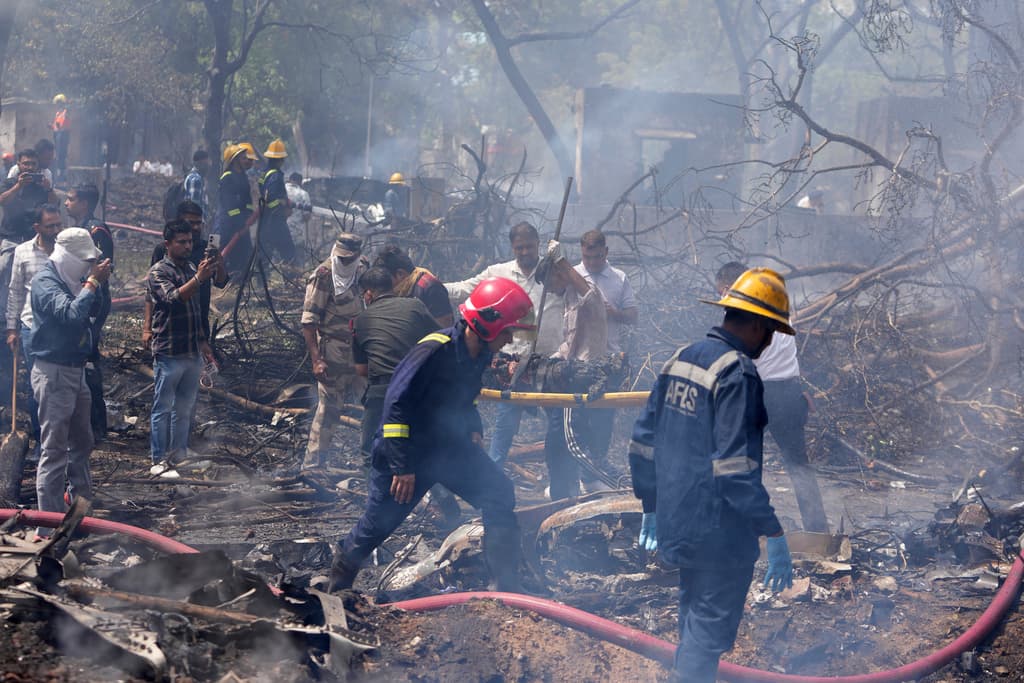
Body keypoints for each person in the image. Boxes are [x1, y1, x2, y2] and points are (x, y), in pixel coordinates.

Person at [628, 267, 796, 682]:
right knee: (707, 632)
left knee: (693, 619)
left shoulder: (679, 358)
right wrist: (772, 531)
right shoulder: (737, 372)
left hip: (677, 519)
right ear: (756, 324)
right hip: (719, 531)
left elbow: (641, 443)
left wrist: (650, 504)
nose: (771, 340)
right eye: (771, 330)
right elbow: (734, 469)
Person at [328, 277, 535, 593]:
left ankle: (505, 587)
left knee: (499, 493)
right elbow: (396, 403)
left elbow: (464, 399)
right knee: (376, 526)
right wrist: (401, 465)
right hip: (408, 455)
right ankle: (338, 584)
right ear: (488, 323)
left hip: (449, 449)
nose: (509, 340)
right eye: (507, 331)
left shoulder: (478, 355)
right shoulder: (432, 350)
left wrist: (473, 427)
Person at [715, 262, 828, 532]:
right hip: (788, 393)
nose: (721, 298)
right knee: (798, 465)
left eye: (722, 291)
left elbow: (742, 360)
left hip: (757, 393)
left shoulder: (741, 314)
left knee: (745, 463)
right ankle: (817, 530)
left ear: (730, 287)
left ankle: (746, 528)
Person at [446, 222, 564, 464]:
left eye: (529, 247)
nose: (524, 252)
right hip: (512, 367)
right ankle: (492, 480)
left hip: (549, 364)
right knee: (505, 427)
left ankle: (561, 487)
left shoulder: (554, 274)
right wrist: (431, 287)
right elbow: (464, 289)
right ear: (512, 247)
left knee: (558, 425)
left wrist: (562, 263)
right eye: (519, 247)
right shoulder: (498, 273)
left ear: (538, 244)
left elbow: (583, 295)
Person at [28, 228, 111, 538]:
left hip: (76, 370)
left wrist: (97, 286)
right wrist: (92, 282)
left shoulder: (75, 280)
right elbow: (72, 315)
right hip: (53, 372)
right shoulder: (45, 281)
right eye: (85, 261)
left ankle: (79, 513)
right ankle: (48, 528)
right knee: (54, 450)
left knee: (82, 443)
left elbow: (98, 311)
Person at [146, 220, 220, 476]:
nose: (188, 246)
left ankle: (179, 454)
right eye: (181, 242)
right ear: (167, 244)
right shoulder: (158, 272)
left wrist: (202, 342)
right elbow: (174, 299)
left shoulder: (190, 267)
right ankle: (158, 460)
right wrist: (199, 278)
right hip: (169, 352)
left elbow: (196, 310)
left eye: (190, 241)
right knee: (162, 408)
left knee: (184, 408)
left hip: (191, 351)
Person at [536, 240, 608, 499]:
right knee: (557, 442)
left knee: (568, 440)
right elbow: (570, 343)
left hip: (584, 378)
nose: (550, 290)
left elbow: (591, 295)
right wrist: (552, 359)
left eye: (549, 282)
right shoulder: (567, 298)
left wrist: (561, 261)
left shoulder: (584, 294)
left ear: (559, 275)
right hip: (570, 377)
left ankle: (602, 482)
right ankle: (562, 493)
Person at [301, 232, 369, 471]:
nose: (345, 263)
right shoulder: (323, 276)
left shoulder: (364, 270)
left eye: (350, 259)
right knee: (329, 408)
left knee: (372, 403)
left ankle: (371, 462)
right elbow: (309, 323)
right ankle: (313, 466)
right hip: (333, 349)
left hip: (361, 349)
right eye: (342, 258)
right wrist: (316, 360)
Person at [573, 229, 637, 467]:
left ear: (606, 252)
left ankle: (595, 469)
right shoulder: (572, 275)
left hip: (609, 360)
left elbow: (633, 315)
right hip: (577, 360)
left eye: (597, 257)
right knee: (576, 417)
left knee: (603, 418)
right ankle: (577, 472)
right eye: (587, 257)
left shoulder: (619, 278)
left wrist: (614, 313)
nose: (591, 263)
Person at [0, 148, 57, 411]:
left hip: (35, 244)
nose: (29, 169)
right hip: (12, 242)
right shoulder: (11, 182)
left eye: (33, 165)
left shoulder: (41, 185)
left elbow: (54, 210)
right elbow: (2, 200)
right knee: (5, 276)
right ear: (19, 165)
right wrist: (17, 187)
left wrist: (47, 188)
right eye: (25, 164)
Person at [6, 204, 62, 450]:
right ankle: (41, 440)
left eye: (58, 224)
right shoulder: (22, 252)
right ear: (37, 227)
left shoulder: (65, 251)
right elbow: (16, 290)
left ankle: (59, 439)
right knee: (35, 385)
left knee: (60, 384)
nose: (56, 230)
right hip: (31, 328)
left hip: (62, 328)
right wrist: (12, 328)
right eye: (50, 225)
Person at [143, 201, 229, 351]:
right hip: (169, 325)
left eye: (198, 223)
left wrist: (219, 261)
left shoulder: (204, 249)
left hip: (198, 323)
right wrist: (147, 328)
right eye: (191, 223)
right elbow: (151, 292)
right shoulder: (163, 250)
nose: (196, 227)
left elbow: (220, 282)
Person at [65, 184, 113, 442]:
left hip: (93, 304)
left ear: (84, 203)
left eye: (71, 199)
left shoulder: (96, 231)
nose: (66, 203)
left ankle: (97, 425)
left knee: (90, 360)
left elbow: (101, 269)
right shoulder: (80, 229)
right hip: (82, 301)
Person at [374, 245, 453, 326]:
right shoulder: (402, 290)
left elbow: (444, 325)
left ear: (400, 274)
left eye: (385, 279)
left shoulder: (430, 287)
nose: (383, 283)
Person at [214, 145, 255, 275]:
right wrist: (240, 222)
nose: (246, 160)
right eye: (243, 158)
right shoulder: (227, 177)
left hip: (241, 224)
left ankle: (239, 282)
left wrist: (248, 215)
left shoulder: (243, 177)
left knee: (245, 255)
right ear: (235, 160)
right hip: (227, 225)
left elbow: (247, 201)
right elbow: (229, 205)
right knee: (223, 256)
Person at [258, 139, 297, 265]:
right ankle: (292, 281)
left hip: (266, 221)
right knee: (289, 253)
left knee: (265, 256)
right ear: (280, 160)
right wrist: (283, 204)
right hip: (276, 221)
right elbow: (272, 199)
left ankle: (260, 282)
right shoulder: (275, 176)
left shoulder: (265, 173)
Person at [285, 172, 312, 252]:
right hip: (296, 234)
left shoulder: (280, 190)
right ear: (300, 182)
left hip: (278, 231)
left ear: (289, 180)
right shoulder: (304, 194)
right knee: (296, 260)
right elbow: (306, 216)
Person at [183, 150, 211, 220]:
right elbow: (194, 205)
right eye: (206, 163)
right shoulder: (195, 179)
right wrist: (199, 223)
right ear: (199, 163)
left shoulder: (196, 177)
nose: (208, 166)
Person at [52, 95, 70, 183]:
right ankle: (60, 174)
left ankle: (62, 174)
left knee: (62, 154)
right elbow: (56, 125)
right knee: (58, 155)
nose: (57, 105)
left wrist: (59, 127)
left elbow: (65, 123)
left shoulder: (66, 112)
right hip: (57, 133)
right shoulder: (58, 113)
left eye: (58, 103)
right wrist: (52, 126)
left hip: (63, 134)